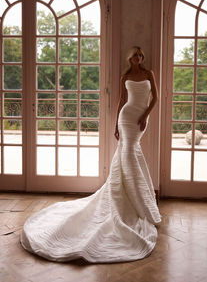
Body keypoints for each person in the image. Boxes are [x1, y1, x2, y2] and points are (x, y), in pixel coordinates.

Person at [20, 46, 162, 263]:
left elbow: (156, 99)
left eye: (140, 55)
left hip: (140, 118)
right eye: (134, 55)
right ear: (129, 57)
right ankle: (131, 198)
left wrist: (145, 116)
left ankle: (140, 200)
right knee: (126, 155)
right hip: (125, 117)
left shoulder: (148, 73)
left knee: (131, 153)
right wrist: (116, 124)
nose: (138, 57)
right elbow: (121, 102)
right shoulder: (125, 76)